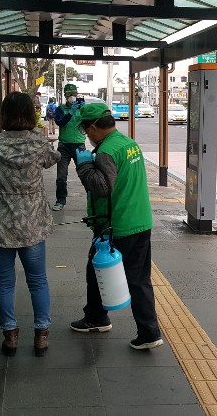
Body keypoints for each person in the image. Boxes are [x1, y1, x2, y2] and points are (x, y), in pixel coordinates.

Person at [0, 92, 61, 357]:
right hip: (32, 223)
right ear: (31, 115)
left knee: (5, 283)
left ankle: (10, 336)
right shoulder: (39, 144)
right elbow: (52, 160)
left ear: (4, 114)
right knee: (38, 281)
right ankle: (41, 336)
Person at [68, 103, 163, 350]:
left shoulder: (106, 152)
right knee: (139, 279)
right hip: (141, 220)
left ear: (93, 127)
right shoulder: (128, 143)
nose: (86, 136)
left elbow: (102, 187)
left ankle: (97, 318)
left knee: (98, 271)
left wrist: (84, 166)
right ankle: (148, 331)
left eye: (87, 131)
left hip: (117, 225)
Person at [51, 84, 86, 211]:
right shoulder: (60, 109)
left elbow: (89, 123)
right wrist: (70, 113)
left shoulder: (82, 108)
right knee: (61, 176)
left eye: (74, 94)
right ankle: (60, 200)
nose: (72, 97)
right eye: (69, 94)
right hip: (64, 146)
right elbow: (60, 122)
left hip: (79, 146)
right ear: (65, 96)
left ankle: (93, 200)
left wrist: (85, 111)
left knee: (86, 174)